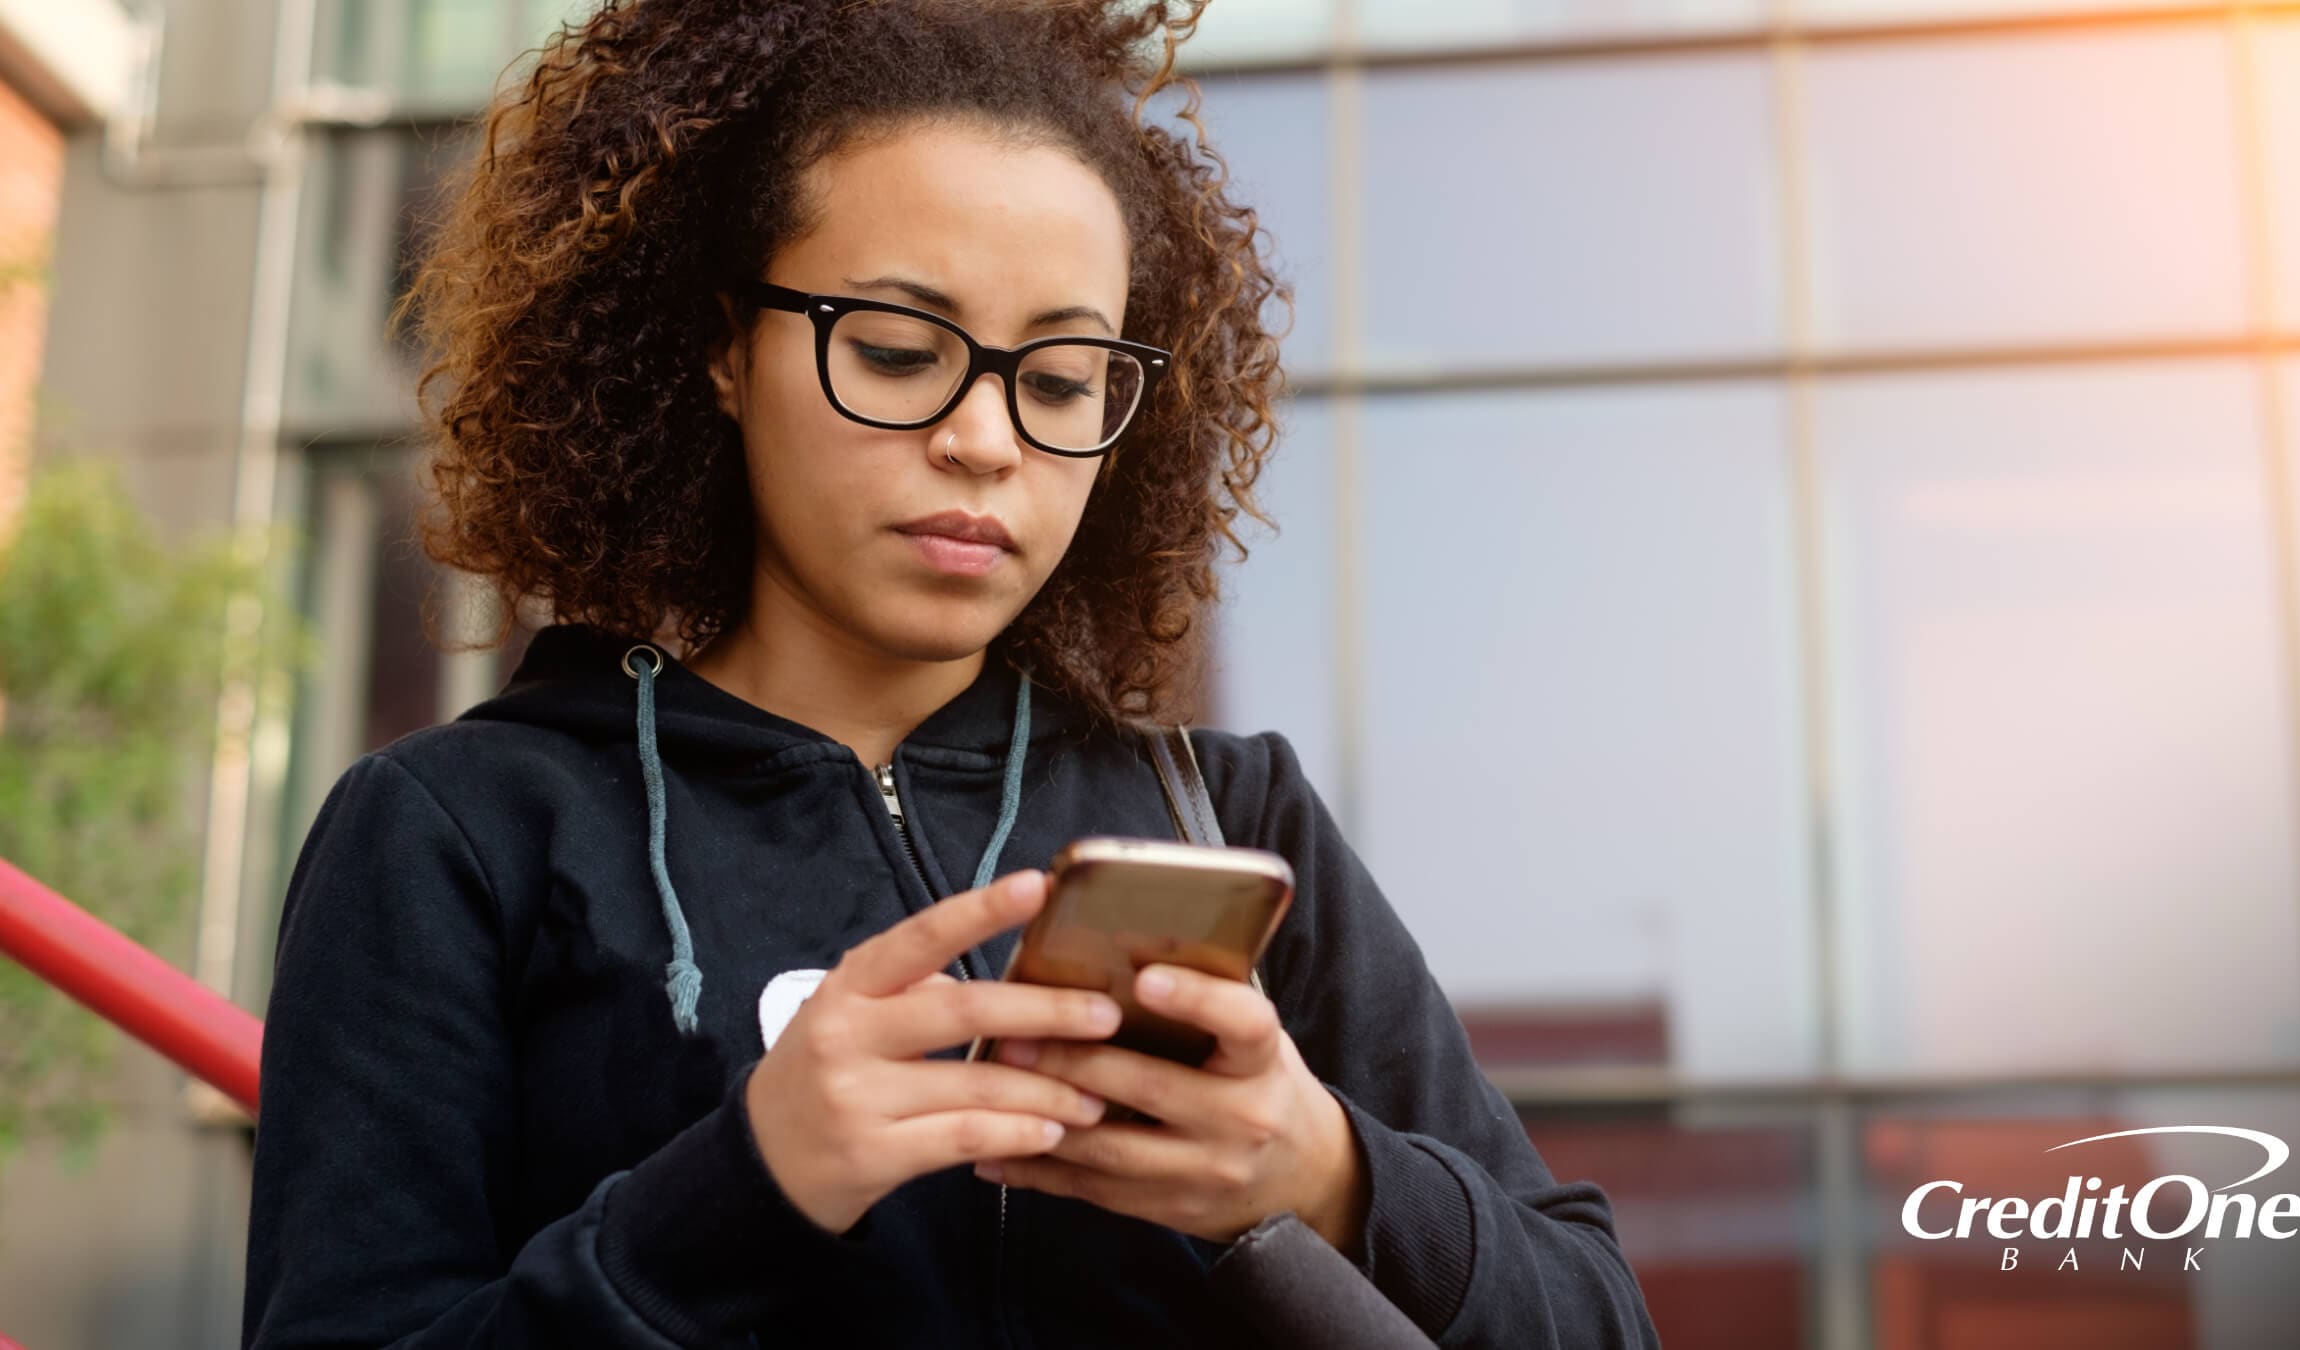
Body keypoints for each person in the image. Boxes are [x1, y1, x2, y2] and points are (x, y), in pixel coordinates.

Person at [239, 1, 1661, 1346]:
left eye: (1058, 383)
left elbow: (1600, 1313)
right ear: (725, 349)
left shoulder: (1233, 816)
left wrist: (1322, 1166)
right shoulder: (458, 831)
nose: (986, 438)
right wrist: (744, 1182)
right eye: (904, 351)